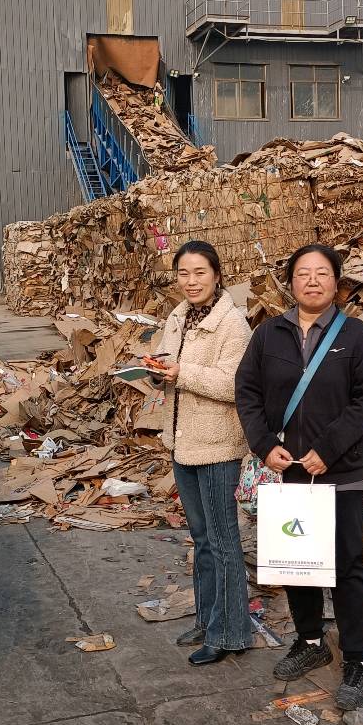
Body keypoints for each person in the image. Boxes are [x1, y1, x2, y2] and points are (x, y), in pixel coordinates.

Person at [235, 243, 363, 710]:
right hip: (287, 472)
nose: (313, 281)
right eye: (303, 273)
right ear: (291, 282)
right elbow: (247, 392)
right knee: (295, 561)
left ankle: (357, 660)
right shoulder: (269, 335)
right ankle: (310, 641)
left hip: (339, 472)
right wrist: (264, 445)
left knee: (346, 566)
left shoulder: (356, 336)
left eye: (322, 273)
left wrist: (329, 448)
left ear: (336, 282)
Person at [154, 240, 254, 665]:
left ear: (216, 275)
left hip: (217, 447)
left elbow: (235, 385)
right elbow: (169, 366)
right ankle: (207, 619)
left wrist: (182, 372)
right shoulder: (178, 318)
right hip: (182, 442)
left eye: (200, 273)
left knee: (223, 541)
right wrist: (157, 372)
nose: (191, 281)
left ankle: (230, 633)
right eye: (183, 273)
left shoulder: (233, 324)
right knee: (201, 539)